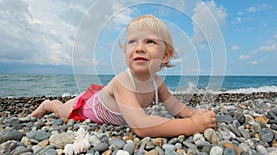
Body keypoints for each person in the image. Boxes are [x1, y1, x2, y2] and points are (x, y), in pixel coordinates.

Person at [31, 14, 216, 137]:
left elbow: (174, 105)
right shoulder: (123, 81)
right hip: (88, 104)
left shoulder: (157, 82)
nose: (139, 47)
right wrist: (193, 125)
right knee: (62, 112)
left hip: (104, 97)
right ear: (125, 51)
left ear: (166, 55)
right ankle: (48, 104)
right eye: (132, 42)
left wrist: (192, 113)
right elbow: (140, 126)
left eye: (150, 41)